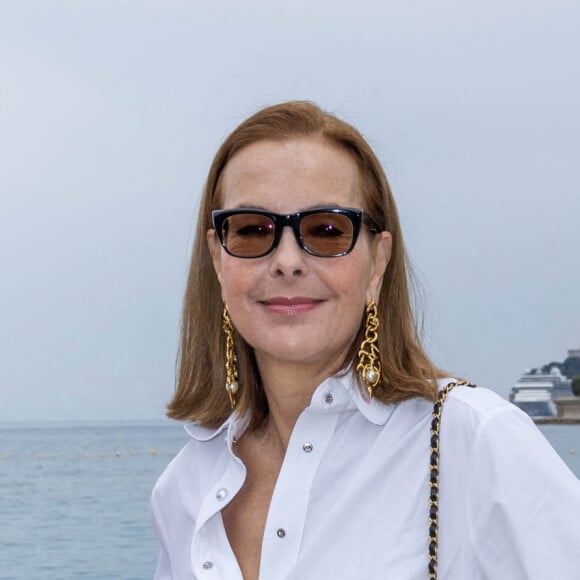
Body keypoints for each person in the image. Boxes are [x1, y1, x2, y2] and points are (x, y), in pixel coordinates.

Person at [150, 101, 580, 580]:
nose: (287, 261)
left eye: (327, 230)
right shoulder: (184, 488)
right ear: (217, 259)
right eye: (252, 231)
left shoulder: (471, 441)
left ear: (378, 262)